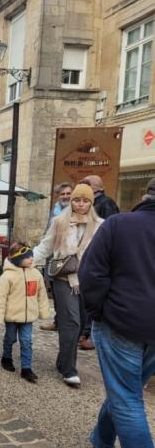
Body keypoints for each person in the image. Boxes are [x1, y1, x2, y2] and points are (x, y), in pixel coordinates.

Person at [78, 177, 155, 448]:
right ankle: (101, 439)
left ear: (146, 196)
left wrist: (98, 313)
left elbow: (90, 274)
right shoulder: (119, 224)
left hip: (121, 322)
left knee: (126, 398)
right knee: (125, 390)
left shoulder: (119, 223)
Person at [33, 183, 103, 387]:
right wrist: (23, 260)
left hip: (87, 281)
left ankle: (62, 360)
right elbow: (45, 246)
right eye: (77, 200)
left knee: (80, 324)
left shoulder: (100, 225)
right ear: (71, 201)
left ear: (91, 202)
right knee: (71, 322)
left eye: (85, 200)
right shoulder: (59, 222)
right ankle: (70, 369)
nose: (80, 204)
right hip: (64, 279)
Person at [0, 243, 50, 383]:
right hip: (12, 316)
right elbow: (0, 298)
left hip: (28, 317)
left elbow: (41, 294)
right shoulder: (7, 276)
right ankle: (6, 357)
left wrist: (43, 311)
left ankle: (26, 368)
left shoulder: (36, 274)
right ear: (17, 259)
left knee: (26, 341)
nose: (31, 259)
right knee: (10, 338)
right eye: (27, 257)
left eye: (31, 256)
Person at [40, 182, 74, 332]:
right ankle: (58, 321)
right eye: (62, 194)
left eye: (68, 193)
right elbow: (48, 235)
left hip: (70, 262)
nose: (65, 196)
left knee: (70, 297)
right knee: (56, 293)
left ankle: (70, 325)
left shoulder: (76, 212)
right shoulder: (55, 211)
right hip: (53, 258)